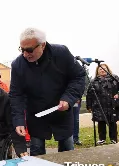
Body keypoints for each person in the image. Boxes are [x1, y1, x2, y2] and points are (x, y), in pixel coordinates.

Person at [9, 27, 86, 156]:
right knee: (37, 151)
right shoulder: (18, 65)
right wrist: (19, 121)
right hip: (36, 114)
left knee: (67, 151)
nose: (25, 54)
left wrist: (68, 98)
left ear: (42, 45)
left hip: (61, 110)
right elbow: (16, 95)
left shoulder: (61, 53)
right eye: (22, 49)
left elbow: (78, 76)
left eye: (29, 50)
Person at [86, 64, 119, 145]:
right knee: (101, 122)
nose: (102, 70)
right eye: (100, 69)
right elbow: (89, 95)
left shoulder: (114, 78)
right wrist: (89, 106)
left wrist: (118, 94)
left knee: (112, 122)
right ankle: (102, 138)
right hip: (99, 105)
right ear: (97, 71)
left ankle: (114, 139)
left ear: (108, 69)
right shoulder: (94, 81)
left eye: (104, 69)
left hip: (112, 104)